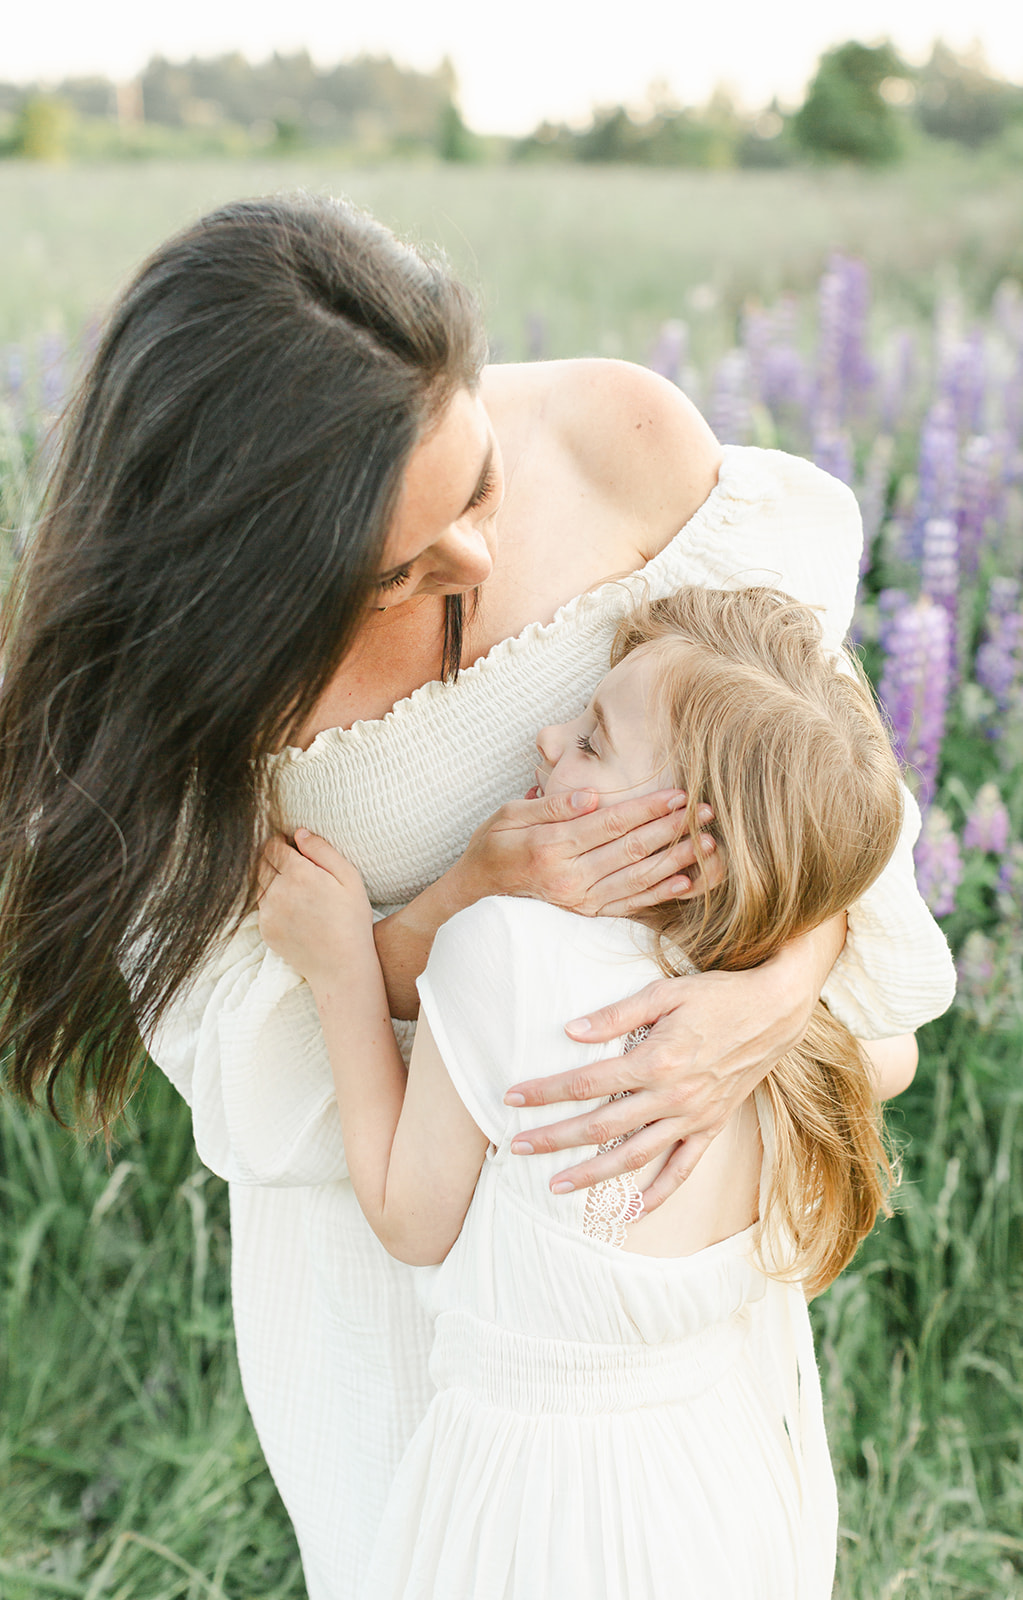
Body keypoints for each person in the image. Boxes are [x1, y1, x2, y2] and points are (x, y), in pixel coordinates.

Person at [0, 195, 954, 1598]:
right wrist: (460, 903)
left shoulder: (624, 445)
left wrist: (760, 1000)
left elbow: (815, 786)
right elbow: (249, 1054)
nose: (476, 562)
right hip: (387, 1247)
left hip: (634, 1244)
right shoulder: (163, 697)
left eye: (481, 483)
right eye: (398, 568)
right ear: (242, 577)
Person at [257, 582, 917, 1599]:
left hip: (529, 1503)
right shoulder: (778, 1041)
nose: (551, 736)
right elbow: (892, 1055)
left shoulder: (503, 953)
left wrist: (342, 965)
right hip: (714, 1480)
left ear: (693, 845)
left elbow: (409, 1215)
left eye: (597, 742)